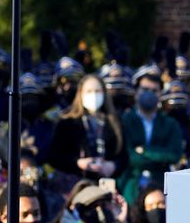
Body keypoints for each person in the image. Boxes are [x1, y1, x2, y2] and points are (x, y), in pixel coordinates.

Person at [47, 75, 126, 182]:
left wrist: (113, 165)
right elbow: (54, 156)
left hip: (107, 182)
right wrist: (78, 163)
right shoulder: (67, 122)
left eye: (97, 91)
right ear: (81, 94)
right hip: (76, 182)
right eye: (89, 91)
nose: (93, 95)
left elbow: (123, 156)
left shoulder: (114, 122)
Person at [119, 74, 182, 205]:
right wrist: (159, 156)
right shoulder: (124, 121)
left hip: (160, 186)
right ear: (136, 92)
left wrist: (145, 151)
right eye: (145, 89)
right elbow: (130, 157)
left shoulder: (170, 124)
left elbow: (174, 155)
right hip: (131, 185)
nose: (149, 94)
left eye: (154, 91)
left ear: (160, 94)